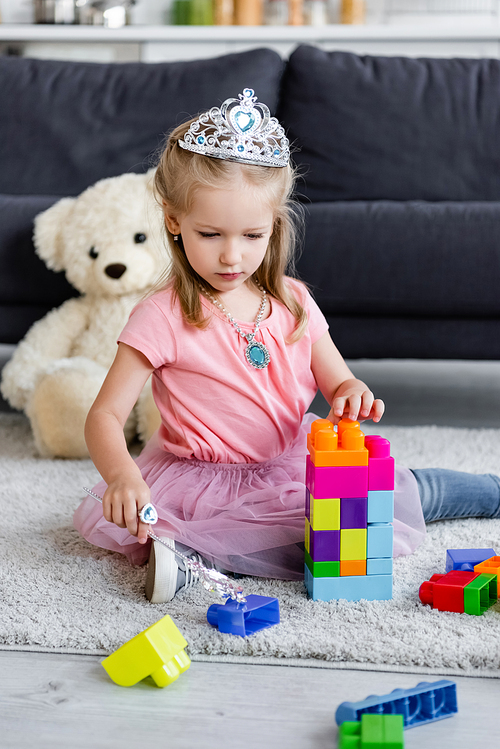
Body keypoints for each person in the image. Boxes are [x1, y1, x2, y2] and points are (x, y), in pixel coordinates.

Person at [74, 88, 500, 603]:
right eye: (210, 234)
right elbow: (103, 417)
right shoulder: (161, 314)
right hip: (203, 481)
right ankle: (188, 557)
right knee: (282, 534)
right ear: (173, 222)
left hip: (290, 462)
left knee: (381, 500)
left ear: (274, 225)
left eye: (252, 236)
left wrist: (351, 393)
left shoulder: (293, 301)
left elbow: (338, 378)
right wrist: (121, 477)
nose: (233, 256)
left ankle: (491, 491)